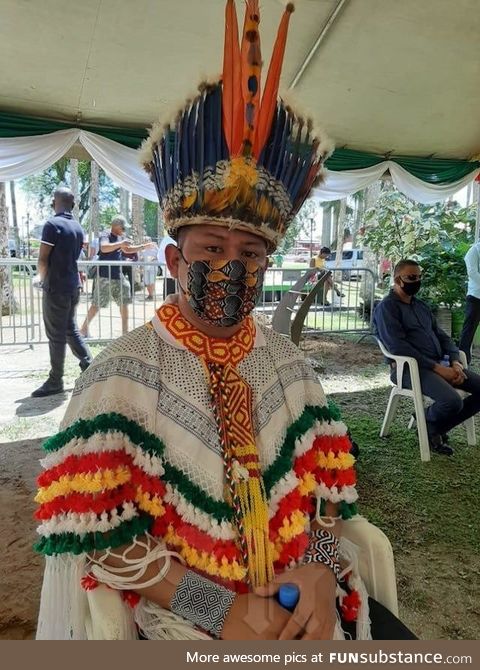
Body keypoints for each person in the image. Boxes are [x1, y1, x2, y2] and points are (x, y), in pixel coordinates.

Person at [35, 0, 415, 641]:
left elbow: (324, 494)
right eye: (212, 250)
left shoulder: (291, 368)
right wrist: (225, 611)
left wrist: (319, 571)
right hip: (186, 618)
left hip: (306, 596)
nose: (232, 267)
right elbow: (96, 535)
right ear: (176, 259)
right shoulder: (121, 375)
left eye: (252, 253)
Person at [373, 259, 480, 456]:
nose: (417, 281)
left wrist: (455, 361)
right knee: (453, 401)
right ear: (397, 280)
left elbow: (442, 336)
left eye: (419, 277)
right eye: (412, 277)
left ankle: (430, 423)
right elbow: (398, 346)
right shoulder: (387, 308)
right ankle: (431, 426)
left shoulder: (421, 306)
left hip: (441, 364)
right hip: (408, 370)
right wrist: (438, 369)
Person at [32, 187, 92, 398]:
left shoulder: (52, 224)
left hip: (56, 286)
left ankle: (55, 380)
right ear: (72, 204)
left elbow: (42, 259)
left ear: (55, 202)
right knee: (69, 329)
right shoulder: (77, 227)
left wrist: (39, 278)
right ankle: (89, 365)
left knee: (56, 334)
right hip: (72, 285)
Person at [79, 216, 153, 337]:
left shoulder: (120, 237)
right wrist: (121, 243)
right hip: (105, 276)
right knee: (97, 304)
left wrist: (144, 247)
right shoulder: (105, 235)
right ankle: (83, 329)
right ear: (116, 226)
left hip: (118, 275)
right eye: (123, 228)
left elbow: (127, 250)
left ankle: (125, 333)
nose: (124, 230)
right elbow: (104, 247)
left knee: (124, 302)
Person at [459, 240, 480, 364]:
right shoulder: (474, 251)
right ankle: (463, 360)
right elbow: (472, 273)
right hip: (475, 297)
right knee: (468, 331)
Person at [140, 236, 159, 300]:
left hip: (153, 268)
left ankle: (151, 295)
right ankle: (149, 294)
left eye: (147, 241)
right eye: (145, 241)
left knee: (152, 282)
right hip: (145, 268)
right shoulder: (142, 250)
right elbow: (140, 258)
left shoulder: (155, 249)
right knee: (147, 282)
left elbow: (159, 256)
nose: (146, 242)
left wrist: (154, 258)